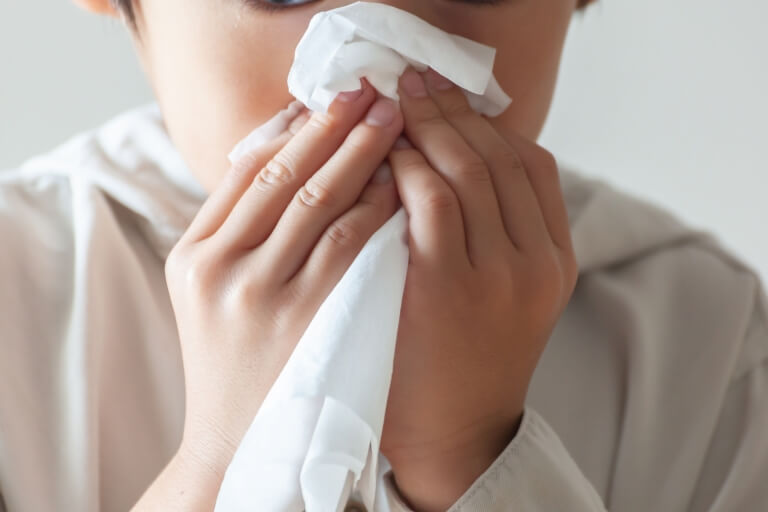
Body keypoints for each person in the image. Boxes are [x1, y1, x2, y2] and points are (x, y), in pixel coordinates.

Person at [1, 0, 766, 510]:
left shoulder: (707, 341)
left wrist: (470, 452)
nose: (385, 59)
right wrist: (222, 454)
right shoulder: (20, 292)